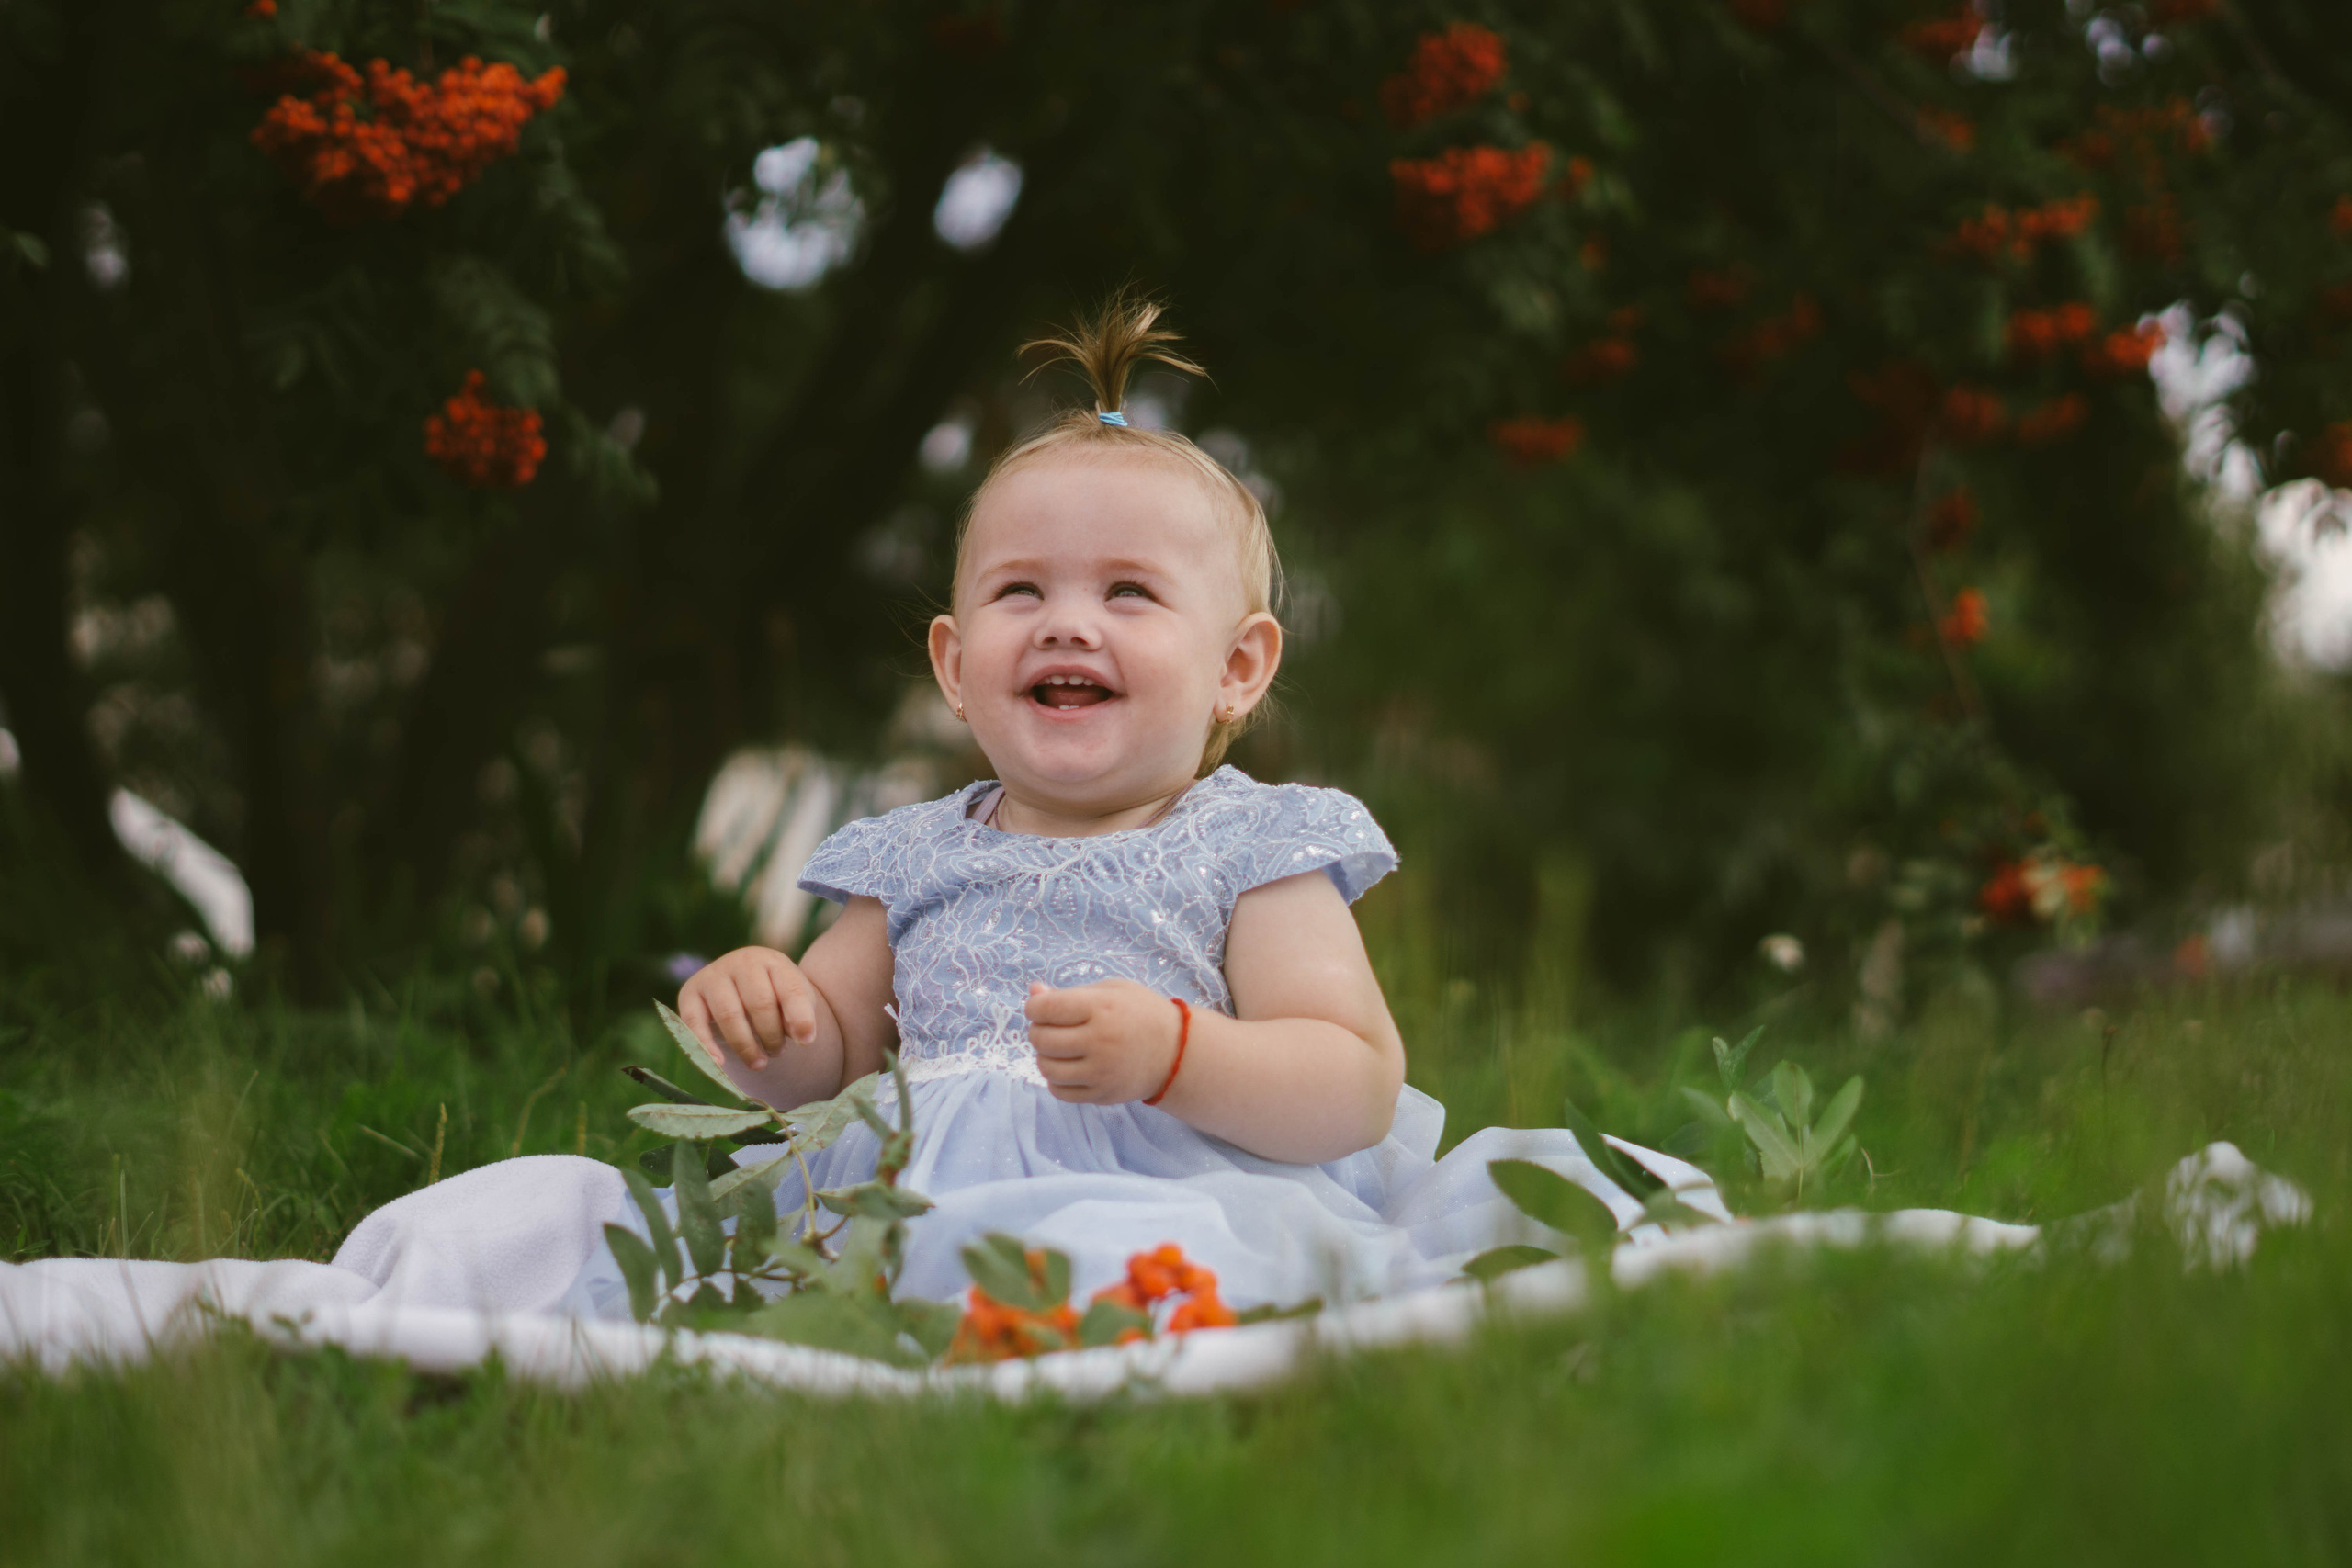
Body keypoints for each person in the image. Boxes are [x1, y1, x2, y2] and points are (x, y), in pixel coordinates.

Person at [605, 293, 1689, 1313]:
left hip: (1170, 1199)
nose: (1067, 625)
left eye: (1128, 592)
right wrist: (765, 1016)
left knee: (1111, 1265)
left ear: (1238, 668)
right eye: (1019, 590)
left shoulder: (1251, 846)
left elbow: (1351, 1081)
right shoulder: (905, 858)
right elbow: (825, 1065)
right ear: (952, 663)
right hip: (903, 1202)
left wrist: (1178, 1055)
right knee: (621, 1242)